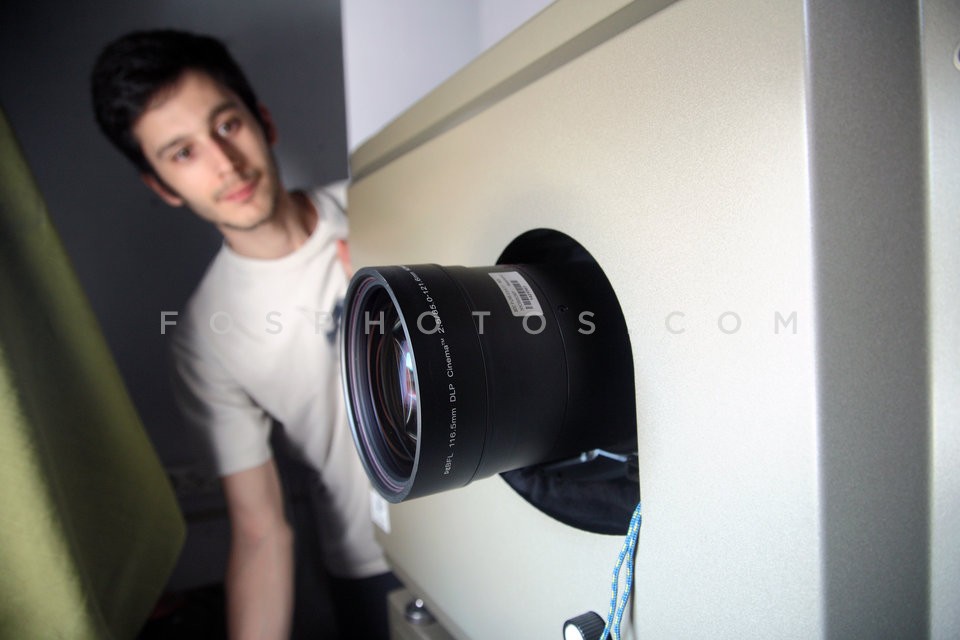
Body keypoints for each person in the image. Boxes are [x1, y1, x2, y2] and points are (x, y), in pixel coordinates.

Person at [90, 30, 397, 639]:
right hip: (371, 565)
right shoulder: (203, 340)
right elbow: (259, 532)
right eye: (183, 153)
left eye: (226, 125)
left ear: (264, 121)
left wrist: (399, 287)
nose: (224, 164)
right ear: (162, 186)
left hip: (489, 500)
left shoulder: (387, 202)